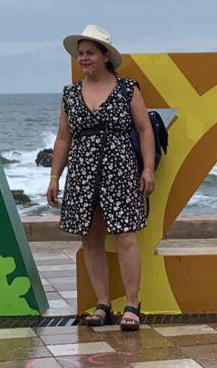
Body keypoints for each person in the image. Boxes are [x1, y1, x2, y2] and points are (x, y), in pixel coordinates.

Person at [46, 25, 155, 331]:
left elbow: (144, 129)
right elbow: (64, 137)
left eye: (90, 53)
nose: (83, 58)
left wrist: (147, 168)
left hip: (119, 171)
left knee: (124, 237)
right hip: (82, 173)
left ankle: (132, 305)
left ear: (106, 56)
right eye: (80, 53)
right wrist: (54, 176)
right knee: (91, 239)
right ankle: (103, 304)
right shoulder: (70, 94)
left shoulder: (127, 89)